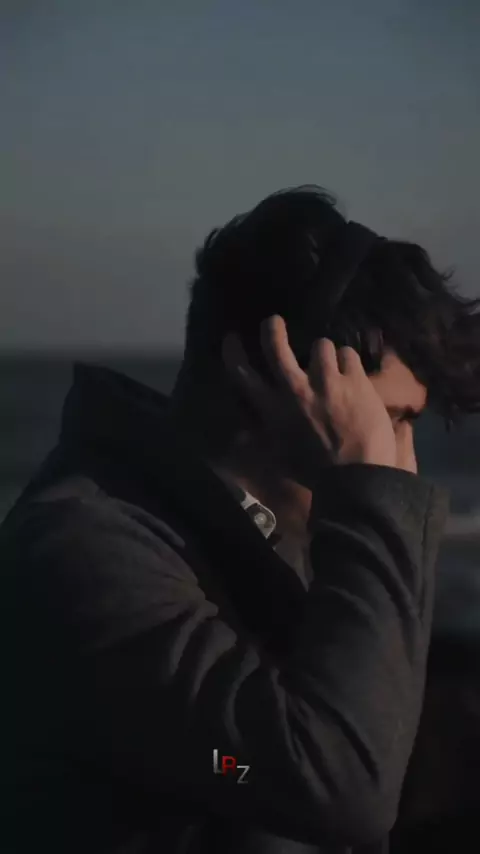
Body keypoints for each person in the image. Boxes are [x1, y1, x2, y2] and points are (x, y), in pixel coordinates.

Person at [2, 186, 479, 854]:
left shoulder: (266, 533)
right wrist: (370, 500)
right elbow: (325, 786)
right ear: (274, 374)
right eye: (389, 419)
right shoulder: (82, 555)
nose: (403, 462)